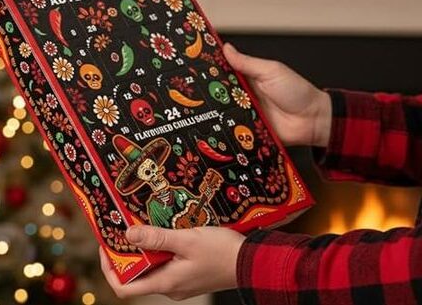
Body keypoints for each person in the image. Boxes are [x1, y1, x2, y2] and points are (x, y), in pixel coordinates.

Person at [99, 42, 422, 304]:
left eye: (153, 165)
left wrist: (244, 264)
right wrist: (320, 117)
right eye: (146, 171)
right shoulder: (155, 204)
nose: (155, 172)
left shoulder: (181, 193)